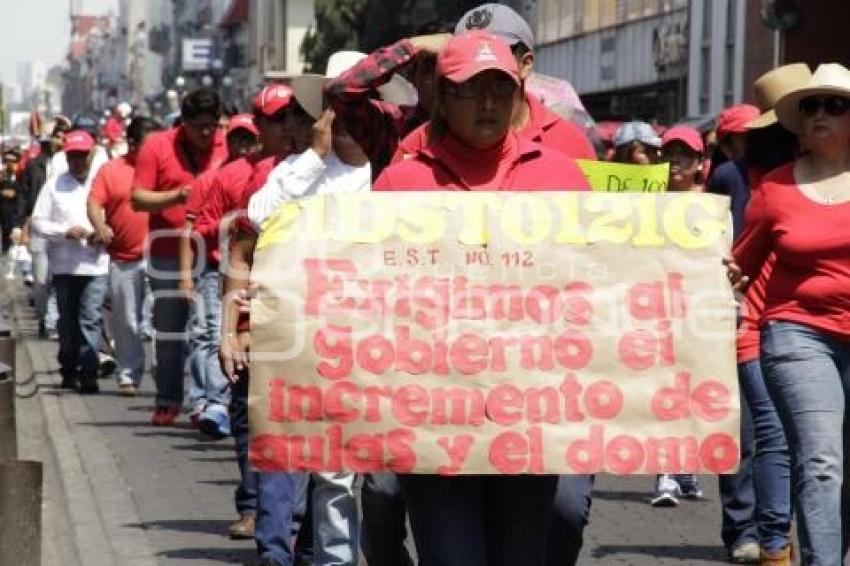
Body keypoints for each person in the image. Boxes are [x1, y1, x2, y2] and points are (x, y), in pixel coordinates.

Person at [372, 31, 587, 566]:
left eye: (500, 88)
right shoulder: (401, 183)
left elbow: (604, 281)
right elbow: (366, 293)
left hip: (531, 422)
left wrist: (701, 279)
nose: (488, 103)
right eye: (471, 89)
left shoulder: (562, 176)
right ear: (442, 98)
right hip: (433, 423)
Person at [248, 62, 373, 566]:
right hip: (312, 333)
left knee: (388, 480)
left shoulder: (390, 168)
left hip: (381, 331)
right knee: (332, 469)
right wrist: (314, 156)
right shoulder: (303, 170)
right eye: (339, 107)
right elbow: (258, 216)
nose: (346, 119)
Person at [728, 63, 850, 565]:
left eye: (835, 105)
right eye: (811, 105)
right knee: (821, 462)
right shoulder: (773, 190)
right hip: (797, 334)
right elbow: (740, 265)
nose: (820, 114)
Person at [709, 65, 807, 564]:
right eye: (808, 110)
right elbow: (726, 253)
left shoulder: (824, 176)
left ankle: (784, 536)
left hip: (809, 326)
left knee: (799, 442)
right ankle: (769, 540)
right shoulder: (743, 179)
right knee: (766, 435)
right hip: (755, 320)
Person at [131, 87, 228, 426]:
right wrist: (176, 196)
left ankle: (208, 402)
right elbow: (138, 198)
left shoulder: (227, 142)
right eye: (199, 126)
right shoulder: (157, 145)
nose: (206, 134)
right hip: (168, 251)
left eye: (211, 126)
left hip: (214, 253)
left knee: (209, 331)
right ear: (182, 122)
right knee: (170, 330)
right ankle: (168, 398)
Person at [394, 3, 597, 164]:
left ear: (525, 63)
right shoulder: (420, 143)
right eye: (469, 51)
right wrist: (409, 47)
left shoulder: (571, 144)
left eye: (497, 51)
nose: (482, 61)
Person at [177, 112, 259, 437]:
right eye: (237, 138)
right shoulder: (219, 178)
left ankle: (236, 403)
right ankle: (215, 403)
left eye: (248, 138)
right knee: (212, 334)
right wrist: (231, 224)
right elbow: (198, 228)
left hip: (264, 270)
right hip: (218, 268)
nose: (242, 144)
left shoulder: (278, 173)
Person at [87, 117, 160, 396]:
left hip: (161, 258)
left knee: (163, 322)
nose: (156, 151)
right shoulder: (111, 170)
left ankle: (167, 376)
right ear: (131, 144)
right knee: (126, 319)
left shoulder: (163, 170)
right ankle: (128, 373)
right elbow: (94, 203)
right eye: (149, 146)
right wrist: (100, 225)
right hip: (123, 258)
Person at [30, 131, 109, 394]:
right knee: (68, 320)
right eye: (73, 156)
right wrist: (64, 231)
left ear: (91, 155)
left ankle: (89, 371)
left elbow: (116, 216)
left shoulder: (100, 184)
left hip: (95, 264)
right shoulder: (54, 185)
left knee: (91, 318)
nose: (78, 161)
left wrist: (104, 232)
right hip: (64, 265)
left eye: (82, 155)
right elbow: (38, 222)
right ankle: (68, 368)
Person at [18, 121, 71, 338]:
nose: (59, 141)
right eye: (56, 137)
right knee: (41, 280)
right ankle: (43, 317)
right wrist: (21, 225)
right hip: (39, 226)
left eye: (63, 137)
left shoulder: (72, 164)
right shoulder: (34, 165)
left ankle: (55, 322)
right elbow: (24, 195)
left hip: (63, 228)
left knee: (60, 277)